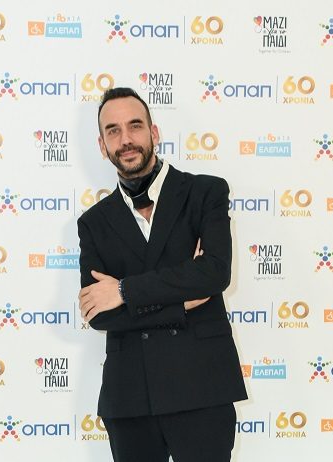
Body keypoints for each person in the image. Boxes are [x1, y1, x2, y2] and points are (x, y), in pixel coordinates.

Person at [78, 87, 247, 462]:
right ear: (102, 146)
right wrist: (179, 303)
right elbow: (99, 313)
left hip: (203, 387)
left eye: (135, 126)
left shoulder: (205, 192)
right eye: (113, 131)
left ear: (154, 132)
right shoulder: (93, 223)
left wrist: (124, 290)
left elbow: (214, 273)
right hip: (130, 398)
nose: (126, 139)